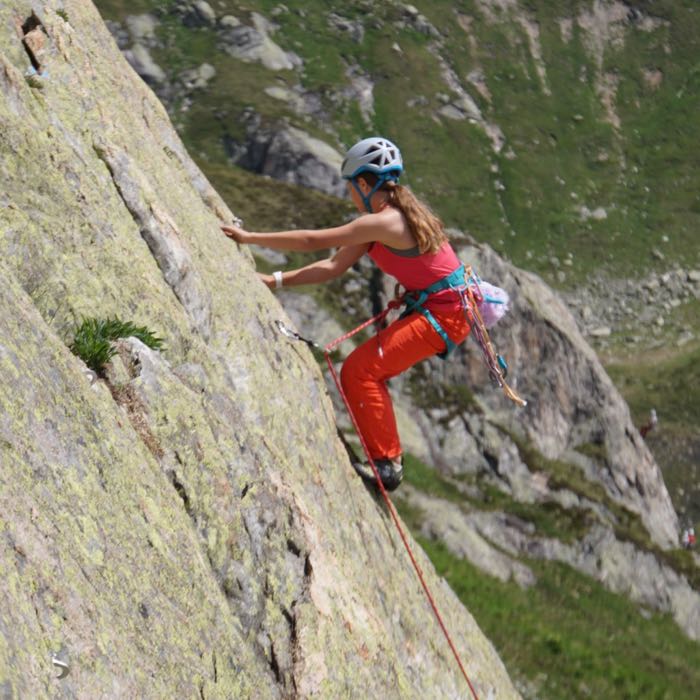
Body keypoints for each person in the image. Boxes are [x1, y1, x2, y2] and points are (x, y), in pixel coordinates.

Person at [222, 137, 474, 491]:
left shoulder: (385, 223)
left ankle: (388, 464)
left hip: (445, 314)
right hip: (447, 309)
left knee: (360, 371)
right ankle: (387, 457)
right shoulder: (383, 221)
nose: (351, 195)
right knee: (363, 370)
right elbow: (331, 266)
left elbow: (312, 240)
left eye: (352, 186)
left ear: (364, 183)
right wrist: (274, 280)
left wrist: (249, 238)